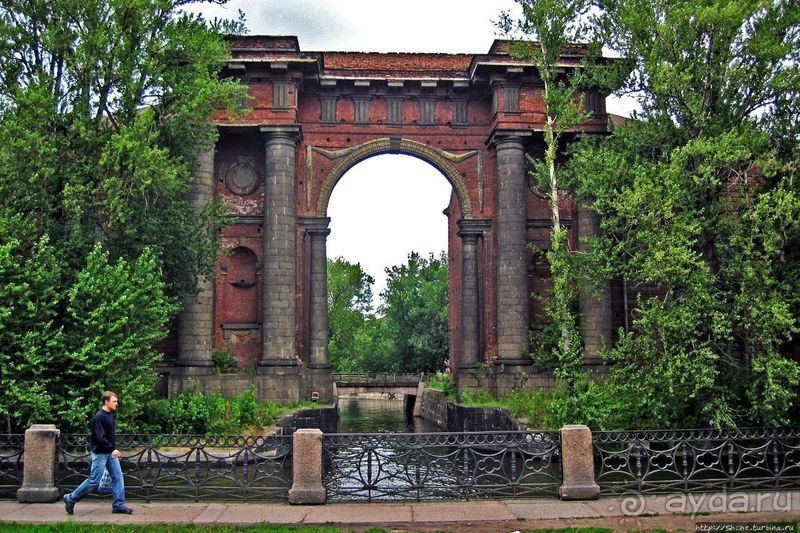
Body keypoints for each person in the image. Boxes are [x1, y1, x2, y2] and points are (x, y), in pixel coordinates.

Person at [63, 391, 134, 515]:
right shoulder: (99, 417)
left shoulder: (110, 415)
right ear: (106, 402)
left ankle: (118, 505)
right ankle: (71, 498)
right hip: (100, 453)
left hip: (109, 453)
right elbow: (100, 438)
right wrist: (113, 449)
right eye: (114, 401)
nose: (116, 404)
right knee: (94, 480)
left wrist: (111, 449)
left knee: (117, 477)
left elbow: (108, 436)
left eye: (116, 401)